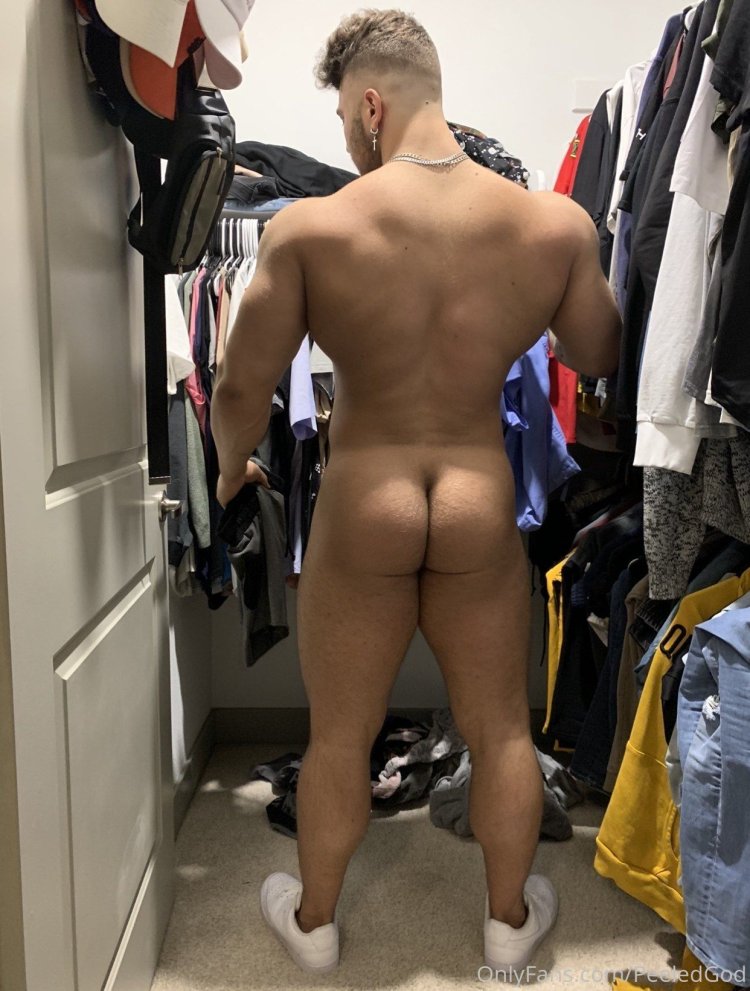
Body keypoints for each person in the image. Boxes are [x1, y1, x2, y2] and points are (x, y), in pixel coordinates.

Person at [212, 8, 621, 977]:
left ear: (370, 105)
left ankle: (315, 924)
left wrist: (229, 467)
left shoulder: (313, 227)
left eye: (345, 125)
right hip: (477, 494)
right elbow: (598, 352)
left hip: (368, 496)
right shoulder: (553, 224)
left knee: (340, 734)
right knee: (501, 728)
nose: (349, 145)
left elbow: (238, 387)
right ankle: (508, 924)